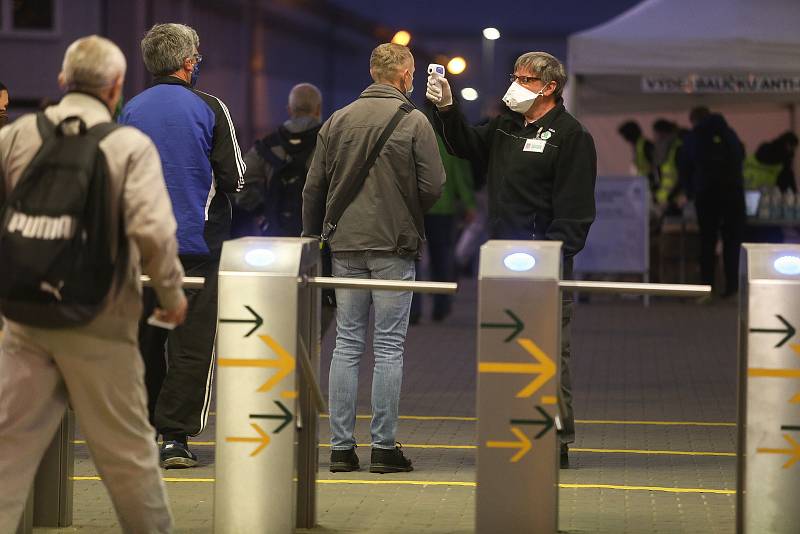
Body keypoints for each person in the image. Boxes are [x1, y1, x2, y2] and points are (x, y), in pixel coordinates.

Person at [0, 35, 187, 532]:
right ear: (116, 87)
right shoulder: (126, 145)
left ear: (63, 82)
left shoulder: (17, 136)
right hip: (100, 318)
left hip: (23, 317)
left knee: (5, 451)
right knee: (128, 456)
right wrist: (171, 297)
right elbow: (154, 232)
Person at [426, 51, 596, 468]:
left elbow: (575, 212)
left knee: (549, 354)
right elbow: (464, 144)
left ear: (549, 87)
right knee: (507, 349)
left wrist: (553, 259)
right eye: (514, 75)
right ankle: (510, 426)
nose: (514, 85)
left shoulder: (570, 136)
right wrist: (447, 108)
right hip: (503, 260)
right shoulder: (505, 125)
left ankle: (555, 437)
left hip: (544, 264)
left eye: (524, 78)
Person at [303, 42, 445, 474]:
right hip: (393, 244)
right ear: (405, 76)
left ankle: (341, 449)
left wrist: (312, 238)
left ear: (372, 72)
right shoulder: (414, 120)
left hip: (345, 244)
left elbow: (314, 188)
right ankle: (383, 448)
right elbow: (434, 184)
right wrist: (406, 210)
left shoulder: (338, 119)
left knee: (346, 343)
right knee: (388, 347)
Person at [119, 22, 245, 468]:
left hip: (139, 249)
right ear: (189, 62)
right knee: (191, 345)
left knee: (146, 340)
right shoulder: (210, 106)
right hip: (197, 247)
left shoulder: (130, 109)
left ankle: (145, 431)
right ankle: (175, 437)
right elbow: (235, 178)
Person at [233, 83, 323, 237]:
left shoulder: (268, 145)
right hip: (316, 236)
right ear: (318, 109)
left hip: (275, 237)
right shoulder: (328, 142)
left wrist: (262, 208)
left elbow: (238, 180)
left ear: (289, 109)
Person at [678, 106, 745, 298]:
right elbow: (741, 156)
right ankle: (732, 287)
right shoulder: (729, 133)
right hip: (733, 194)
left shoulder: (694, 137)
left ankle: (707, 288)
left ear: (694, 120)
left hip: (706, 195)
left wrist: (691, 192)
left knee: (707, 241)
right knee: (732, 242)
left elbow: (684, 167)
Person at [410, 128, 475, 324]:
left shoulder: (414, 134)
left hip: (417, 207)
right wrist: (468, 202)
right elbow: (458, 173)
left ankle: (413, 310)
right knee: (442, 258)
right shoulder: (449, 140)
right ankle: (441, 305)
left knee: (413, 260)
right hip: (443, 208)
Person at [618, 120, 654, 187]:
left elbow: (654, 166)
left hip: (649, 184)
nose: (625, 140)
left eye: (625, 136)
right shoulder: (637, 146)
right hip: (642, 184)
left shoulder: (646, 145)